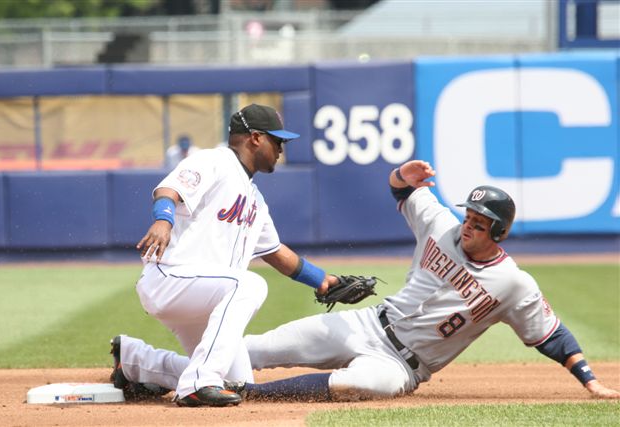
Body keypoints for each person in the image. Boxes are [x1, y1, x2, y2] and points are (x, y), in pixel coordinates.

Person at [124, 159, 620, 402]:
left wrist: (590, 381)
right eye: (469, 215)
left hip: (405, 367)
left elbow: (551, 335)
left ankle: (247, 395)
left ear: (500, 231)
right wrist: (402, 175)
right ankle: (140, 364)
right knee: (243, 351)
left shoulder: (513, 283)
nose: (469, 224)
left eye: (480, 222)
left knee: (357, 385)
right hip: (366, 325)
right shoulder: (441, 223)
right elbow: (400, 190)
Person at [109, 104, 339, 407]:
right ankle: (197, 384)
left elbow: (275, 252)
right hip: (171, 278)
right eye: (277, 140)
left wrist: (322, 281)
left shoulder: (255, 198)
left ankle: (135, 360)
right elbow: (169, 189)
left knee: (238, 385)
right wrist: (163, 220)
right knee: (250, 285)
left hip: (209, 295)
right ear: (255, 138)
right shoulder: (214, 161)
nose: (282, 148)